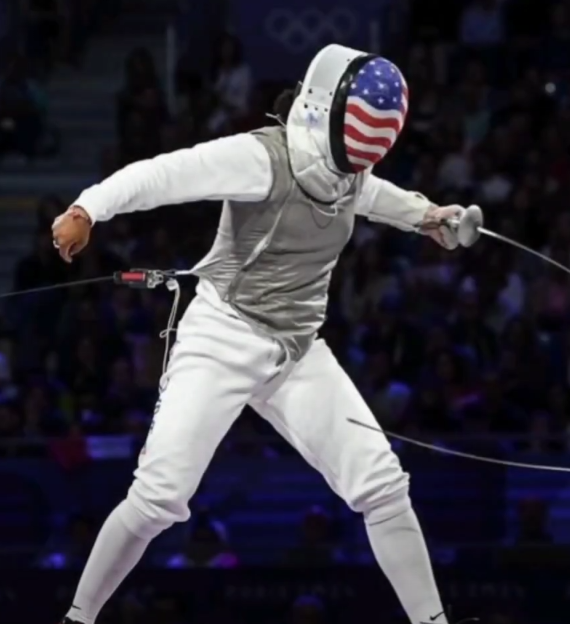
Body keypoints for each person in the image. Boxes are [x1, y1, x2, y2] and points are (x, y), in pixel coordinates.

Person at [49, 44, 477, 624]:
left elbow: (375, 196)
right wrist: (87, 208)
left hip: (297, 350)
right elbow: (164, 174)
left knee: (382, 484)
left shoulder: (347, 174)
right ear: (327, 108)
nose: (363, 152)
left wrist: (430, 216)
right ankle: (77, 618)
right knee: (158, 497)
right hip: (223, 337)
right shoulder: (260, 158)